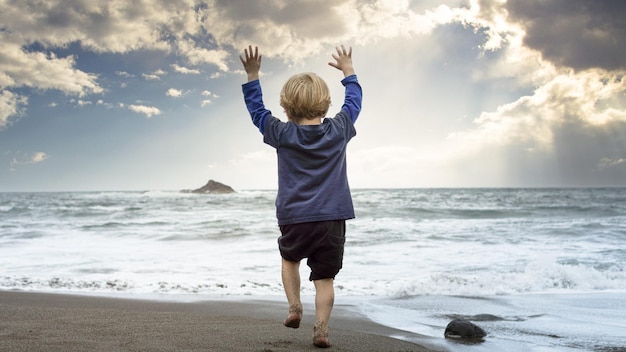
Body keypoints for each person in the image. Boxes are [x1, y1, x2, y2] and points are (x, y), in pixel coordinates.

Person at [239, 45, 362, 348]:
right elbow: (355, 102)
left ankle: (294, 306)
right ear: (325, 103)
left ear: (286, 108)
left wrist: (253, 75)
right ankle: (321, 329)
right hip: (332, 219)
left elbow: (257, 112)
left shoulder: (282, 133)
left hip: (295, 218)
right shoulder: (339, 129)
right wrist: (348, 70)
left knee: (289, 259)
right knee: (325, 279)